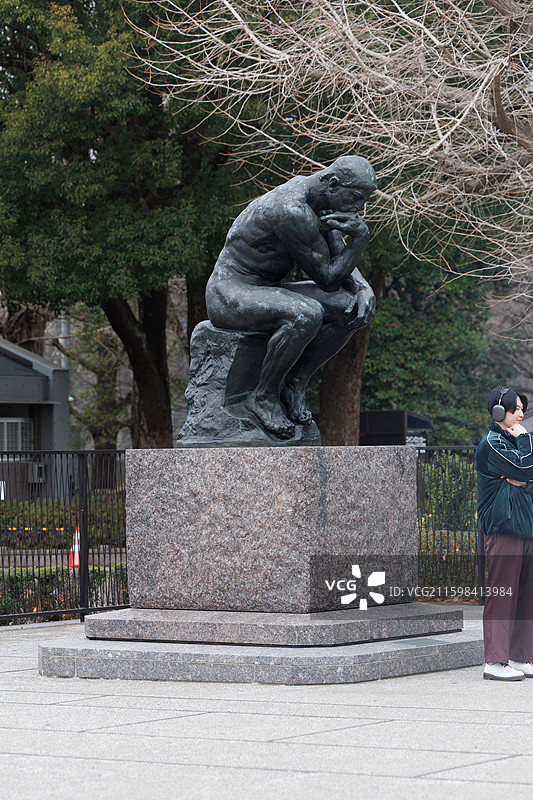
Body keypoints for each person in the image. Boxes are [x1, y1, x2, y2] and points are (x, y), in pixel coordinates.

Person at [205, 155, 377, 439]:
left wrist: (363, 288)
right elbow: (328, 277)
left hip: (265, 288)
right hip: (230, 292)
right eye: (357, 198)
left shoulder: (322, 202)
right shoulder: (291, 209)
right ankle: (263, 397)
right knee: (306, 313)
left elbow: (336, 257)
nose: (360, 208)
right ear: (333, 185)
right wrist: (360, 239)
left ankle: (294, 383)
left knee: (349, 308)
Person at [475, 386, 533, 680]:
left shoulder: (521, 440)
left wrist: (523, 478)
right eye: (516, 408)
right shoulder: (492, 443)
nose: (522, 413)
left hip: (526, 526)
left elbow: (527, 472)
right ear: (500, 412)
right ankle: (495, 661)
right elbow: (525, 468)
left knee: (527, 594)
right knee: (504, 593)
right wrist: (522, 475)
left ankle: (520, 656)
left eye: (523, 408)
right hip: (503, 526)